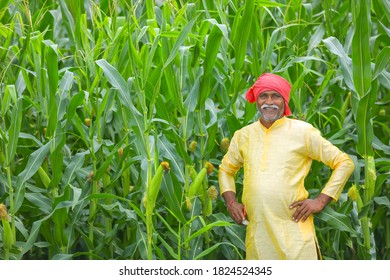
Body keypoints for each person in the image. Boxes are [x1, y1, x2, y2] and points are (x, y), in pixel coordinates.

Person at [218, 73, 355, 260]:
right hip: (259, 238)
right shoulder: (244, 135)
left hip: (295, 237)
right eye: (263, 96)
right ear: (256, 100)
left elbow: (344, 163)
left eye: (276, 96)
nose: (269, 101)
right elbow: (226, 169)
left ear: (285, 101)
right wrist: (231, 202)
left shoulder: (303, 132)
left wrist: (320, 201)